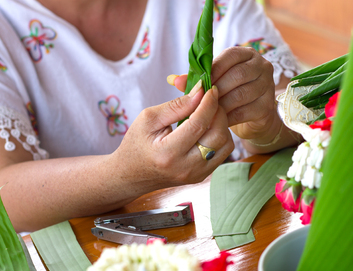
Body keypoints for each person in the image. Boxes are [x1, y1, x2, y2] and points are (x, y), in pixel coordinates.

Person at [0, 0, 303, 232]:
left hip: (229, 240)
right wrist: (121, 174)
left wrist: (264, 125)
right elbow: (6, 191)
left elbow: (302, 113)